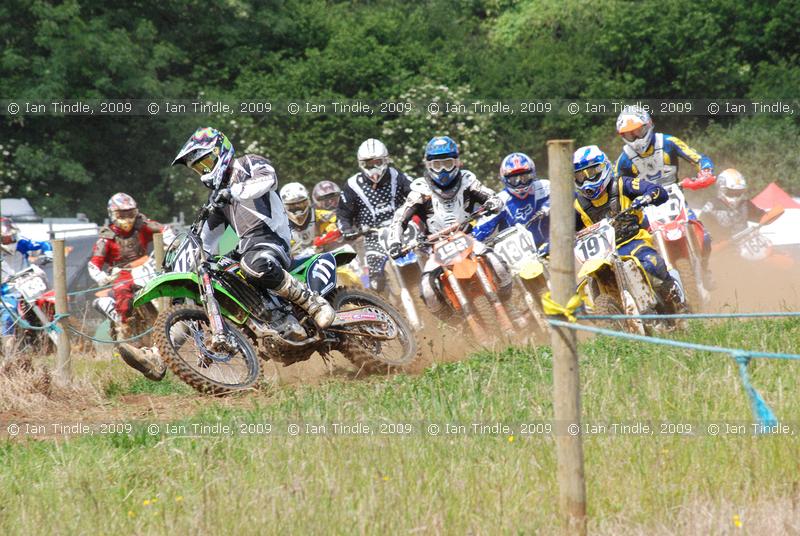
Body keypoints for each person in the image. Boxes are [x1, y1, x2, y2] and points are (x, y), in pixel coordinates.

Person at [172, 127, 335, 334]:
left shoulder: (247, 164)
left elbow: (268, 180)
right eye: (198, 168)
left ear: (219, 151)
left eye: (205, 163)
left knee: (253, 263)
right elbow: (205, 242)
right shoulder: (218, 198)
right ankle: (163, 352)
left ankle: (313, 302)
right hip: (247, 248)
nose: (204, 171)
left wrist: (233, 191)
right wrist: (181, 272)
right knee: (218, 273)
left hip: (272, 239)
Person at [387, 135, 507, 317]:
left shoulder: (468, 180)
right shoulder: (420, 190)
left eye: (447, 163)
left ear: (457, 162)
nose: (442, 170)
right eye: (437, 165)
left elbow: (491, 196)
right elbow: (399, 219)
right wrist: (395, 243)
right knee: (427, 288)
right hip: (436, 248)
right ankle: (454, 324)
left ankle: (508, 303)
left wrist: (493, 203)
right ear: (428, 165)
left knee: (499, 264)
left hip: (468, 239)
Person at [573, 145, 688, 313]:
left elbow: (656, 190)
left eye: (591, 173)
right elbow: (565, 230)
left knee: (652, 264)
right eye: (580, 176)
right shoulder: (578, 205)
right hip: (601, 254)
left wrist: (648, 196)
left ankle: (677, 306)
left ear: (602, 168)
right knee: (585, 289)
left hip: (633, 241)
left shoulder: (621, 184)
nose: (587, 180)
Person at [615, 105, 715, 286]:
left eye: (638, 131)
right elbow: (616, 186)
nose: (636, 138)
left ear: (648, 125)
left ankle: (705, 270)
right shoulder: (624, 159)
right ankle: (657, 284)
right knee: (643, 245)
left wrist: (705, 172)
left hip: (675, 195)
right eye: (630, 134)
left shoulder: (668, 142)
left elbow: (698, 157)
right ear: (622, 136)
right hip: (646, 204)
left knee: (705, 236)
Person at [337, 138, 412, 292]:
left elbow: (415, 194)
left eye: (377, 162)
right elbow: (343, 214)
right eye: (368, 164)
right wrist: (346, 229)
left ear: (385, 160)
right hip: (372, 237)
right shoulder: (352, 185)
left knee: (424, 257)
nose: (373, 167)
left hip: (402, 231)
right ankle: (388, 309)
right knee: (375, 281)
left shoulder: (397, 176)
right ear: (360, 164)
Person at [472, 152, 551, 246]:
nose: (520, 183)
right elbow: (479, 231)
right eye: (514, 180)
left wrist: (550, 204)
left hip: (550, 248)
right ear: (505, 179)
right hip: (517, 257)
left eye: (524, 177)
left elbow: (570, 197)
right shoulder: (499, 201)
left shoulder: (545, 187)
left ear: (532, 174)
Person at [1, 218, 53, 357]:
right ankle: (9, 347)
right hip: (6, 290)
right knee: (8, 312)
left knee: (48, 299)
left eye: (11, 236)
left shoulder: (21, 243)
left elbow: (44, 244)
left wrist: (48, 254)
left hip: (26, 281)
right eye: (5, 238)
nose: (9, 241)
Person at [700, 168, 767, 236]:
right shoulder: (712, 206)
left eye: (738, 193)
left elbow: (763, 216)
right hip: (724, 244)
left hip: (745, 242)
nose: (735, 197)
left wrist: (774, 212)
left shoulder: (744, 204)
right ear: (721, 189)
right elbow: (699, 229)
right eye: (731, 192)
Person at [280, 182, 337, 257]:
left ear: (308, 200)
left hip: (326, 256)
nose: (298, 208)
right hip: (298, 265)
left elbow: (336, 231)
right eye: (292, 205)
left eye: (301, 203)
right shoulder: (280, 226)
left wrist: (323, 241)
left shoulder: (323, 216)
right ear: (283, 205)